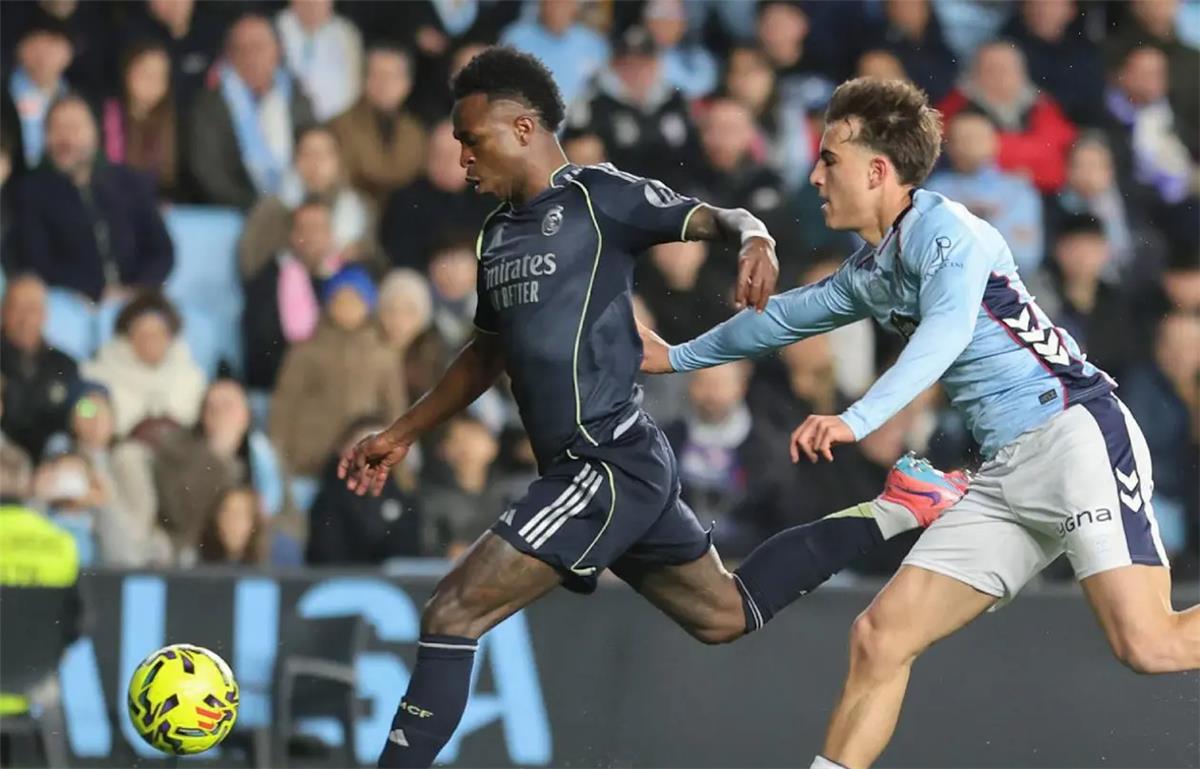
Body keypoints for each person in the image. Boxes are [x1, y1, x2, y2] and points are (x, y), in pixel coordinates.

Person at [337, 47, 967, 768]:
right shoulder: (496, 236)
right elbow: (486, 353)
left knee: (452, 612)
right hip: (612, 466)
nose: (461, 160)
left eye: (470, 140)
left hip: (603, 460)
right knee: (725, 613)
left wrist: (756, 239)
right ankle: (894, 508)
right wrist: (402, 432)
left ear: (522, 129)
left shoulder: (598, 197)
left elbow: (720, 216)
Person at [639, 77, 1199, 769]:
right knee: (880, 636)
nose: (815, 176)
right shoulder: (873, 269)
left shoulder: (948, 232)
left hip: (1075, 437)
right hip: (1005, 469)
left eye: (829, 160)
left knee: (1148, 643)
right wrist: (674, 356)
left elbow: (944, 335)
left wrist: (857, 418)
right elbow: (781, 318)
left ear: (878, 171)